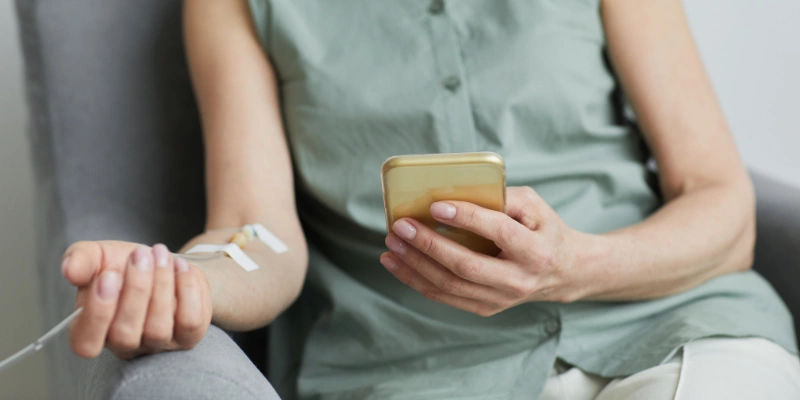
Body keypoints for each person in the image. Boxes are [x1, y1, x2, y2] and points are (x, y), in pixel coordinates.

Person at [60, 0, 800, 399]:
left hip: (670, 329)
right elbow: (257, 235)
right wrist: (188, 279)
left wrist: (575, 264)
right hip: (412, 372)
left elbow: (721, 207)